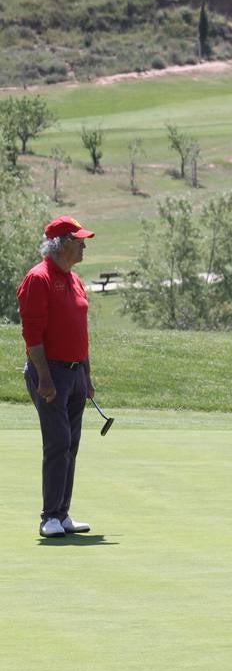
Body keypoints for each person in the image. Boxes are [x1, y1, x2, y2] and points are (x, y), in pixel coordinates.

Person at [18, 216, 98, 539]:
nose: (84, 245)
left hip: (75, 372)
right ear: (62, 244)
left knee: (72, 444)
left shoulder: (74, 279)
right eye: (79, 240)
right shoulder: (39, 279)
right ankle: (49, 516)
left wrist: (87, 376)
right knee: (58, 442)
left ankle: (62, 514)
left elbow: (80, 332)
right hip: (49, 372)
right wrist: (44, 378)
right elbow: (32, 336)